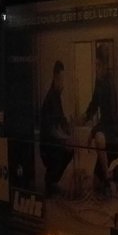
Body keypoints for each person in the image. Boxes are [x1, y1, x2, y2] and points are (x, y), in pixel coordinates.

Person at [83, 43, 118, 197]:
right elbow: (94, 104)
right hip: (105, 128)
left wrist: (94, 131)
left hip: (111, 134)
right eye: (96, 64)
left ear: (105, 65)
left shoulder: (109, 83)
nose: (96, 68)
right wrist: (85, 117)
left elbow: (111, 118)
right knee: (95, 184)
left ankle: (112, 176)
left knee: (99, 139)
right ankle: (108, 176)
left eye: (98, 65)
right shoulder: (99, 81)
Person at [40, 60, 73, 194]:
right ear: (55, 78)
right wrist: (66, 139)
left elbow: (61, 120)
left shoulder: (56, 96)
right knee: (66, 150)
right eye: (61, 79)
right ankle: (50, 180)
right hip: (48, 146)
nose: (63, 83)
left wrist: (68, 126)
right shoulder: (51, 98)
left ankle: (53, 180)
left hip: (52, 142)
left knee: (69, 149)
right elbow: (52, 130)